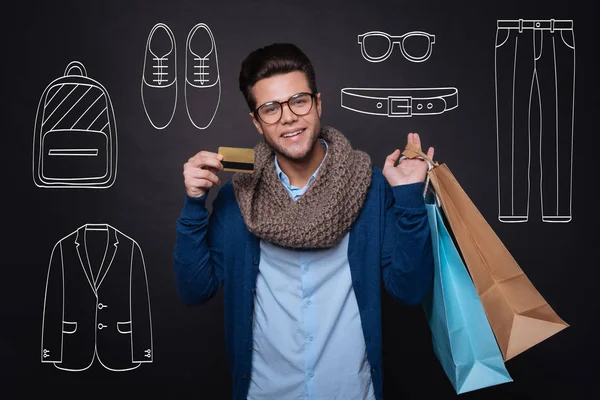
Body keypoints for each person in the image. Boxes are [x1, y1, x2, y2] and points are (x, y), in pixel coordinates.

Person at [173, 42, 435, 400]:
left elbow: (410, 290)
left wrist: (408, 198)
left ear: (318, 103)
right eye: (270, 108)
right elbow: (194, 290)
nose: (288, 117)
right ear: (257, 121)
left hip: (351, 392)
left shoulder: (371, 187)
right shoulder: (239, 197)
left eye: (299, 101)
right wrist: (193, 204)